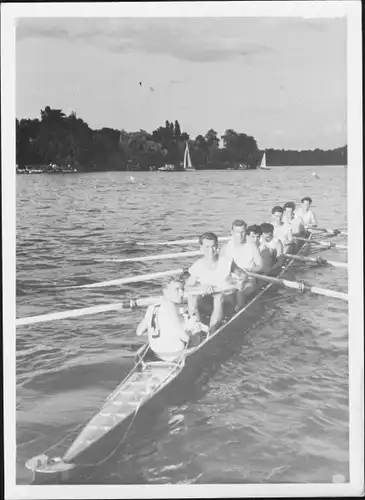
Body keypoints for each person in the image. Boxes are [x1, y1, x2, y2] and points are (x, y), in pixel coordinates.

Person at [136, 275, 200, 362]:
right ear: (165, 291)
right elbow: (186, 338)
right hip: (175, 356)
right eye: (177, 290)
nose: (181, 293)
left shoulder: (152, 307)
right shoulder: (171, 307)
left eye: (182, 289)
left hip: (157, 354)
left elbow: (139, 332)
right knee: (196, 327)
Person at [185, 232, 233, 332]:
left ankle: (212, 331)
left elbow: (243, 277)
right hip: (208, 300)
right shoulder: (198, 265)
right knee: (192, 297)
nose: (210, 251)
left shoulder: (227, 262)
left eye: (213, 247)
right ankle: (195, 329)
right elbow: (187, 287)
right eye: (207, 247)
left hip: (226, 299)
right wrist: (201, 288)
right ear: (201, 248)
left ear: (217, 247)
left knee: (218, 296)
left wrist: (235, 284)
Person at [220, 221, 264, 311]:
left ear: (246, 232)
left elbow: (260, 266)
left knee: (240, 291)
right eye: (237, 232)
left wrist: (249, 270)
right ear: (232, 232)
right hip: (230, 279)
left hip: (248, 279)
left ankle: (238, 310)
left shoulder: (252, 246)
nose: (240, 235)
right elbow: (219, 267)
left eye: (243, 232)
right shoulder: (225, 247)